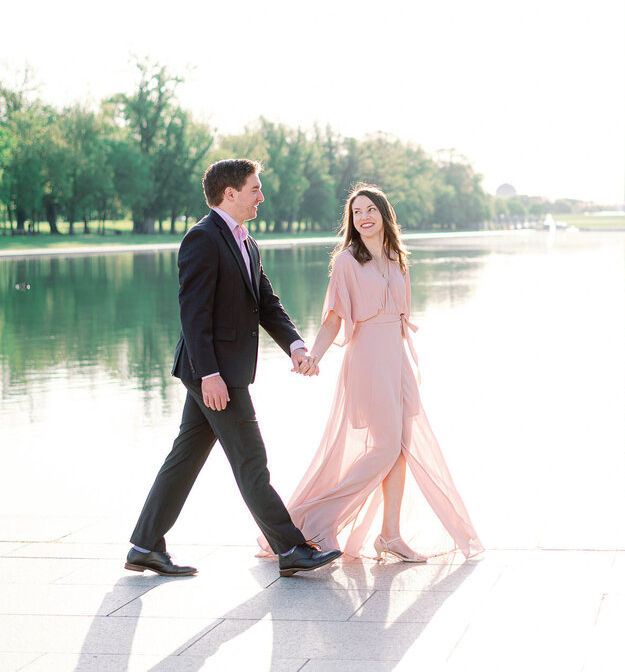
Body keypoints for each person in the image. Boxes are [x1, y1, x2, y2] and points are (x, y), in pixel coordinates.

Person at [126, 159, 341, 577]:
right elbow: (193, 314)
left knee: (184, 459)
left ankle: (144, 544)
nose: (262, 196)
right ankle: (291, 549)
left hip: (222, 373)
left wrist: (295, 345)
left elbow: (267, 302)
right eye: (255, 189)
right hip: (215, 375)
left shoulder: (246, 241)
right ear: (231, 193)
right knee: (251, 462)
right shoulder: (202, 239)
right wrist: (209, 375)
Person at [260, 184, 483, 562]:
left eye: (370, 210)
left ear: (383, 215)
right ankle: (317, 519)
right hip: (367, 359)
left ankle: (390, 535)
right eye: (356, 212)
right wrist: (314, 355)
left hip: (396, 359)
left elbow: (401, 314)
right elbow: (334, 318)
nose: (363, 217)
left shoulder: (397, 257)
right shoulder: (348, 261)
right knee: (383, 448)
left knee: (400, 447)